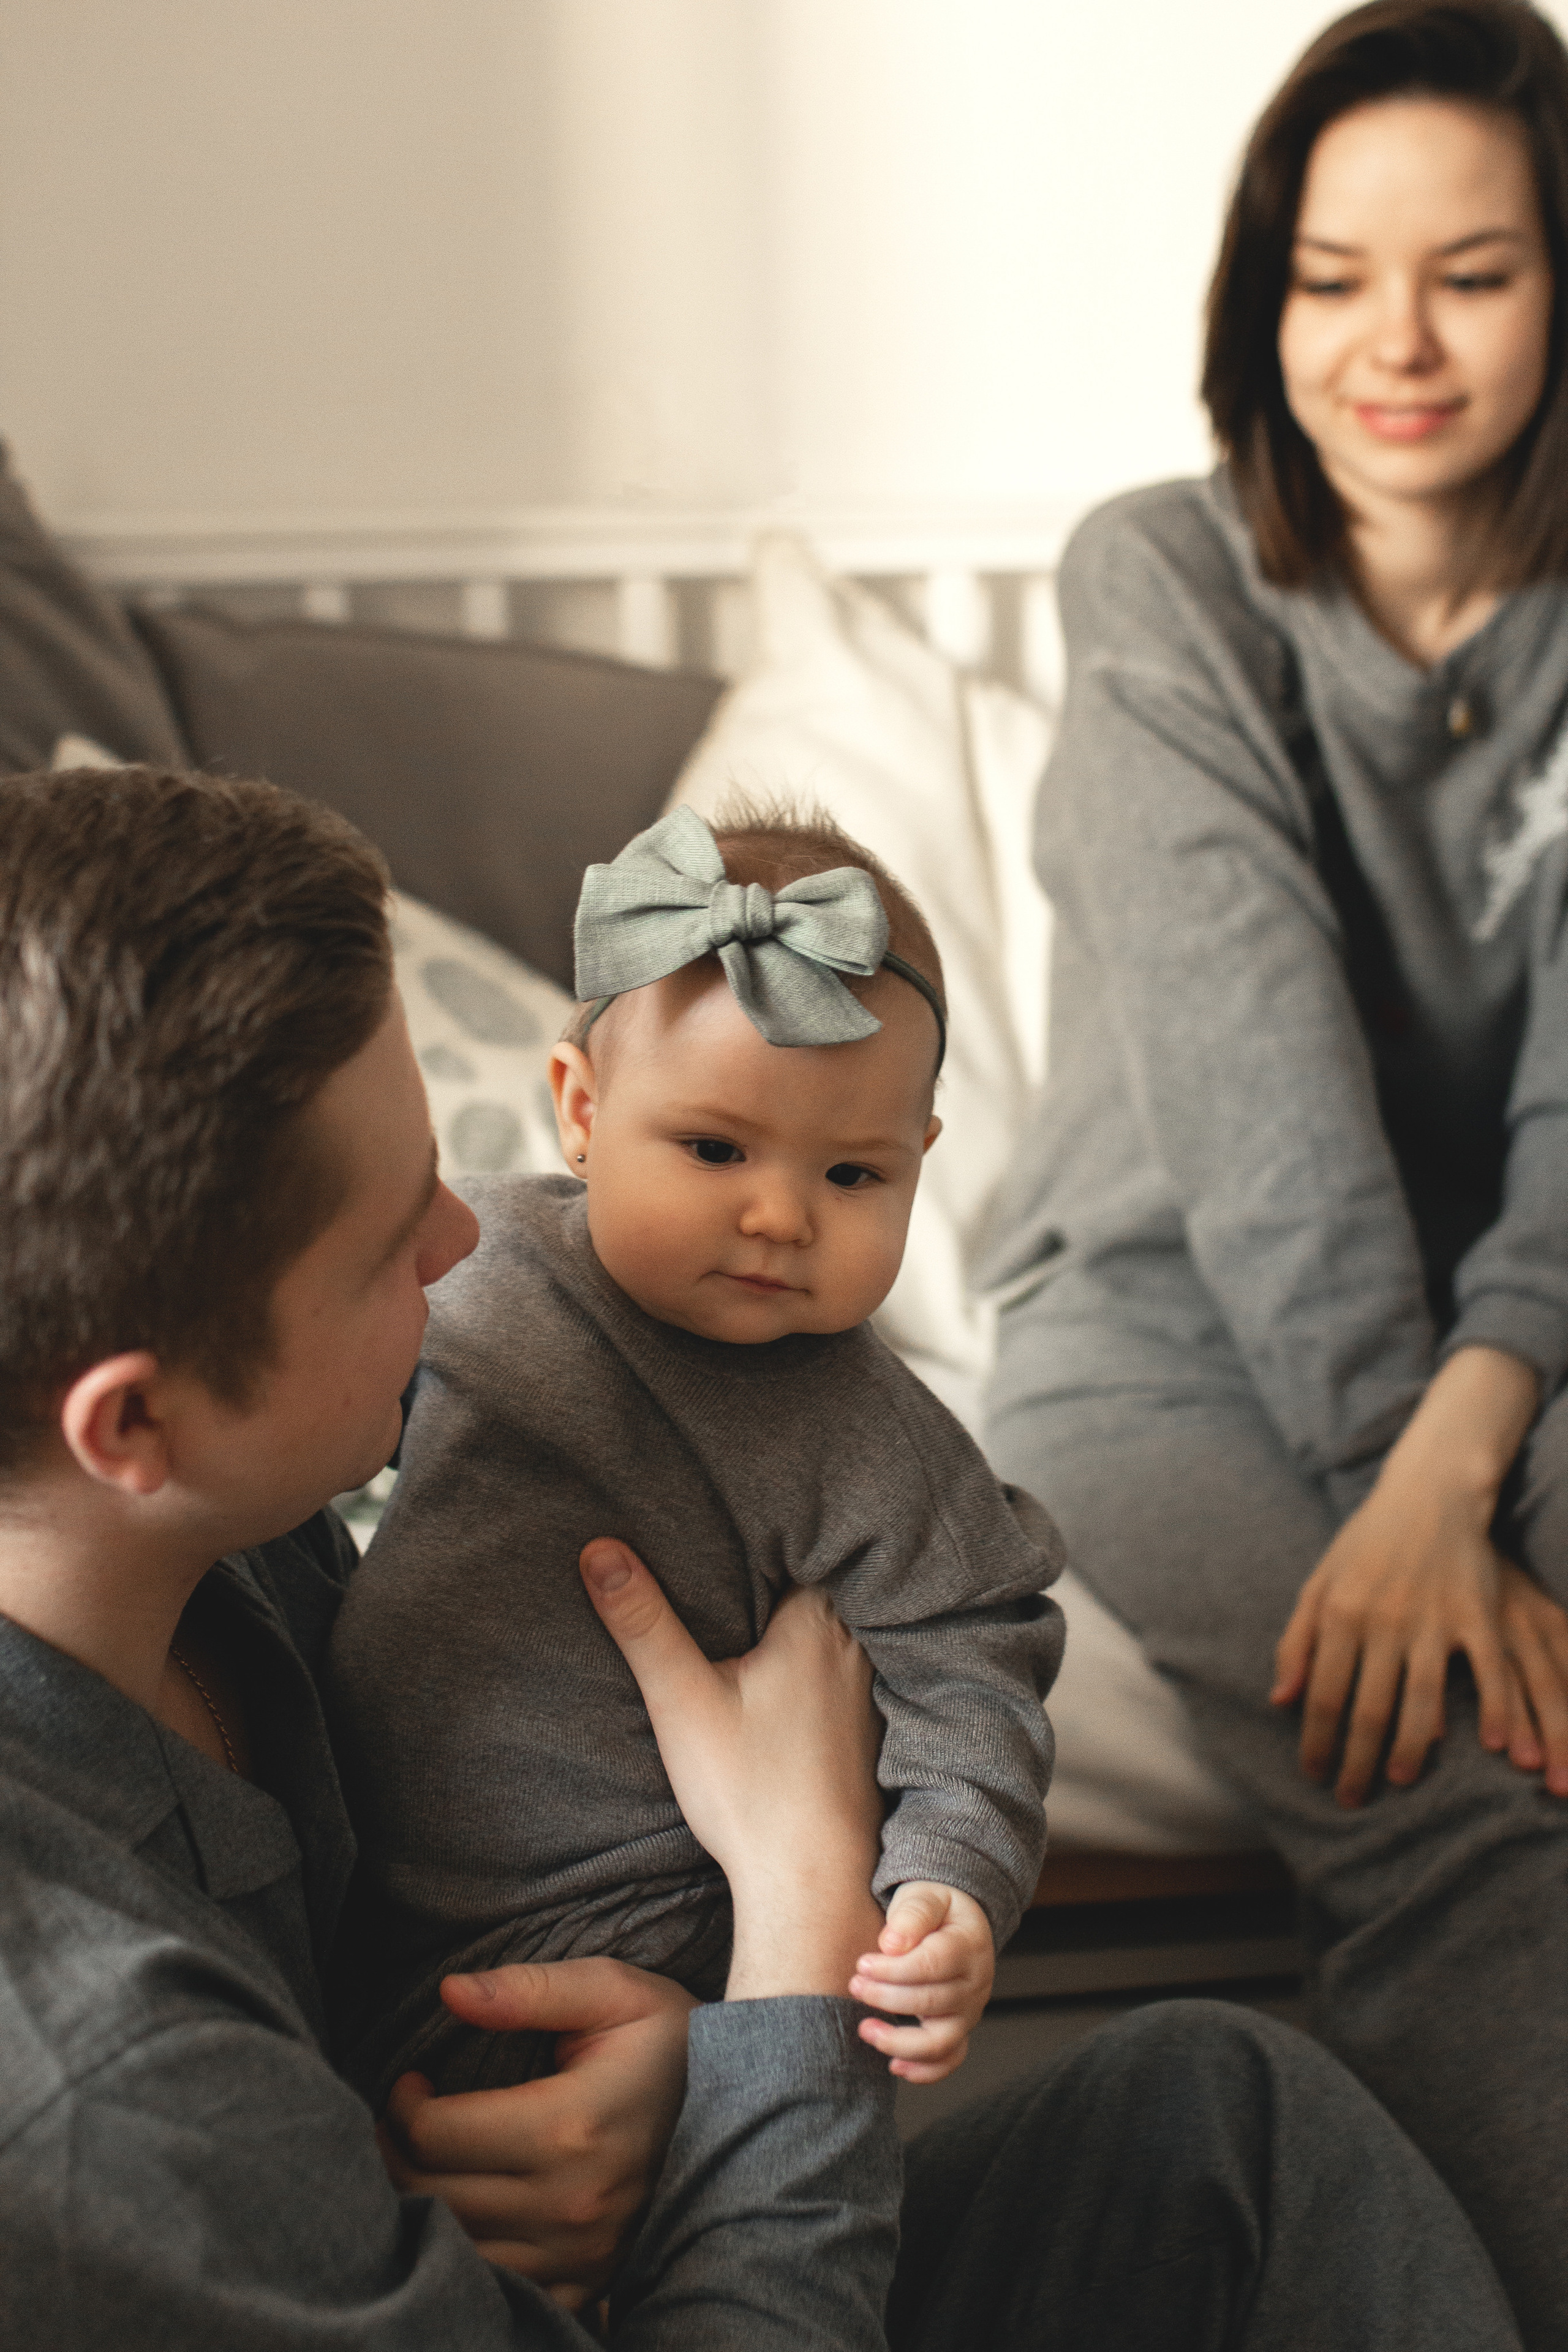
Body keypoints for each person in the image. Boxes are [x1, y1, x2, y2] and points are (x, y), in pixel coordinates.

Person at [0, 761, 1526, 2349]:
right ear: (133, 1425)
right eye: (395, 1242)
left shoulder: (219, 1559)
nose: (473, 1240)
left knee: (1222, 2118)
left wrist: (679, 2072)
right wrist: (798, 1918)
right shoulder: (95, 2090)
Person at [981, 2, 1568, 2342]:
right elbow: (1253, 1096)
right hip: (1171, 1331)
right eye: (1331, 275)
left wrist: (1474, 1433)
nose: (1389, 345)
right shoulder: (1164, 584)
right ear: (1262, 293)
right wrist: (1391, 1482)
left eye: (1476, 273)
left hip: (1506, 1333)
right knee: (1454, 1810)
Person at [327, 804, 1058, 2107]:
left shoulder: (865, 1432)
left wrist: (952, 1879)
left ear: (919, 1165)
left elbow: (975, 1654)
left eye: (851, 1175)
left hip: (657, 1940)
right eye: (713, 1149)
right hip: (363, 1901)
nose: (778, 1214)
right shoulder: (466, 1265)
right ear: (579, 1108)